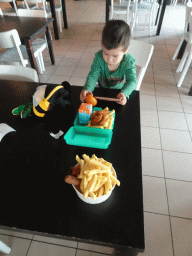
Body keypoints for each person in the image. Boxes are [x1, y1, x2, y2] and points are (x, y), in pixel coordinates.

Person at [80, 19, 137, 105]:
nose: (109, 60)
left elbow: (132, 81)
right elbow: (93, 76)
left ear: (125, 50)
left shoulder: (128, 62)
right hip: (101, 89)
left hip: (119, 92)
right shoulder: (99, 58)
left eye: (115, 56)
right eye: (106, 53)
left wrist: (125, 93)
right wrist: (87, 89)